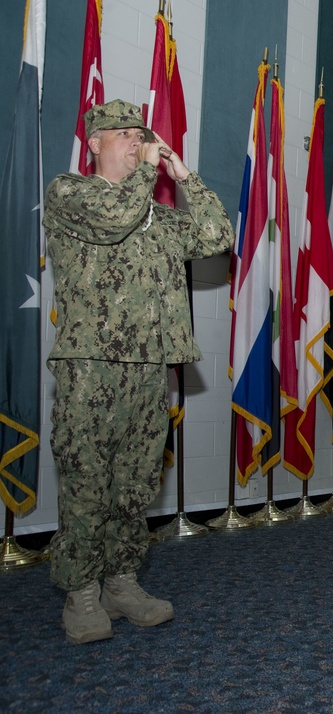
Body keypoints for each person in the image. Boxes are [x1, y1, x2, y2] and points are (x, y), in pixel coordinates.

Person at [44, 99, 234, 644]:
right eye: (122, 134)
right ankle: (81, 591)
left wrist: (185, 176)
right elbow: (116, 218)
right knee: (87, 480)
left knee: (134, 483)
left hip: (149, 367)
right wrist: (150, 171)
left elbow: (217, 235)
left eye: (140, 135)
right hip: (91, 365)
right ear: (94, 144)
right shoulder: (70, 194)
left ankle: (121, 580)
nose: (136, 142)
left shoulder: (159, 217)